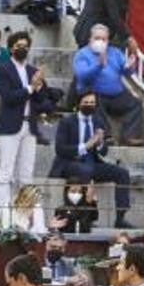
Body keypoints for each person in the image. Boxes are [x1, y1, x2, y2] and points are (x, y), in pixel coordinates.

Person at [0, 30, 54, 227]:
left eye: (25, 46)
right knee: (6, 172)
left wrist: (38, 87)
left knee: (26, 173)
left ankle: (24, 215)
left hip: (30, 125)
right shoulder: (3, 69)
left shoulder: (32, 70)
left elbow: (42, 100)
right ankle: (4, 214)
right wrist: (30, 87)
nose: (23, 49)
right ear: (11, 48)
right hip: (11, 124)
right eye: (18, 46)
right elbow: (8, 98)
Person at [49, 91, 132, 228]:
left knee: (122, 173)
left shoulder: (98, 121)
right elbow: (61, 149)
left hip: (92, 163)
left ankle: (120, 217)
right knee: (85, 170)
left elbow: (103, 151)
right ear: (79, 103)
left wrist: (99, 143)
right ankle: (88, 216)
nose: (89, 105)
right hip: (69, 163)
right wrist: (86, 145)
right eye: (86, 103)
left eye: (92, 103)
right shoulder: (67, 121)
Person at [73, 24, 143, 146]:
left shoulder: (114, 52)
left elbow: (125, 71)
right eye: (97, 38)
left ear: (108, 40)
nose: (100, 41)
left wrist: (130, 65)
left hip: (115, 94)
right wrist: (98, 65)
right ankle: (105, 135)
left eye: (103, 39)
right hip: (94, 92)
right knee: (93, 99)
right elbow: (82, 76)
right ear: (90, 39)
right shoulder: (82, 54)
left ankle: (129, 135)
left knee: (136, 103)